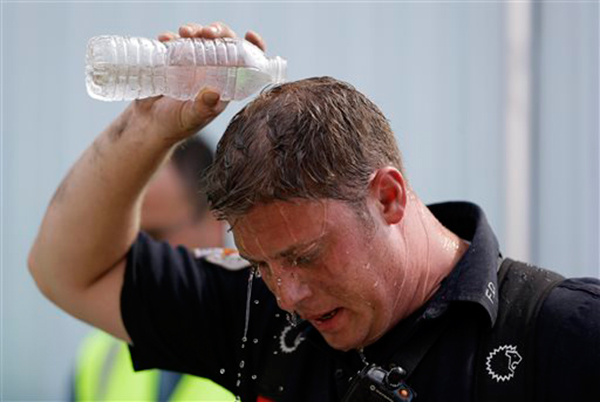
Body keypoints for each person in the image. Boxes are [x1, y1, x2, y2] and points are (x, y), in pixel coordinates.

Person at [29, 22, 599, 402]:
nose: (288, 294)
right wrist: (149, 128)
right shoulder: (262, 319)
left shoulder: (562, 332)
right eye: (261, 265)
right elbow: (67, 270)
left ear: (389, 198)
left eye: (305, 255)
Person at [71, 135, 235, 401]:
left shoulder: (268, 343)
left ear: (215, 220)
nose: (137, 257)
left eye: (154, 236)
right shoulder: (101, 356)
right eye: (128, 240)